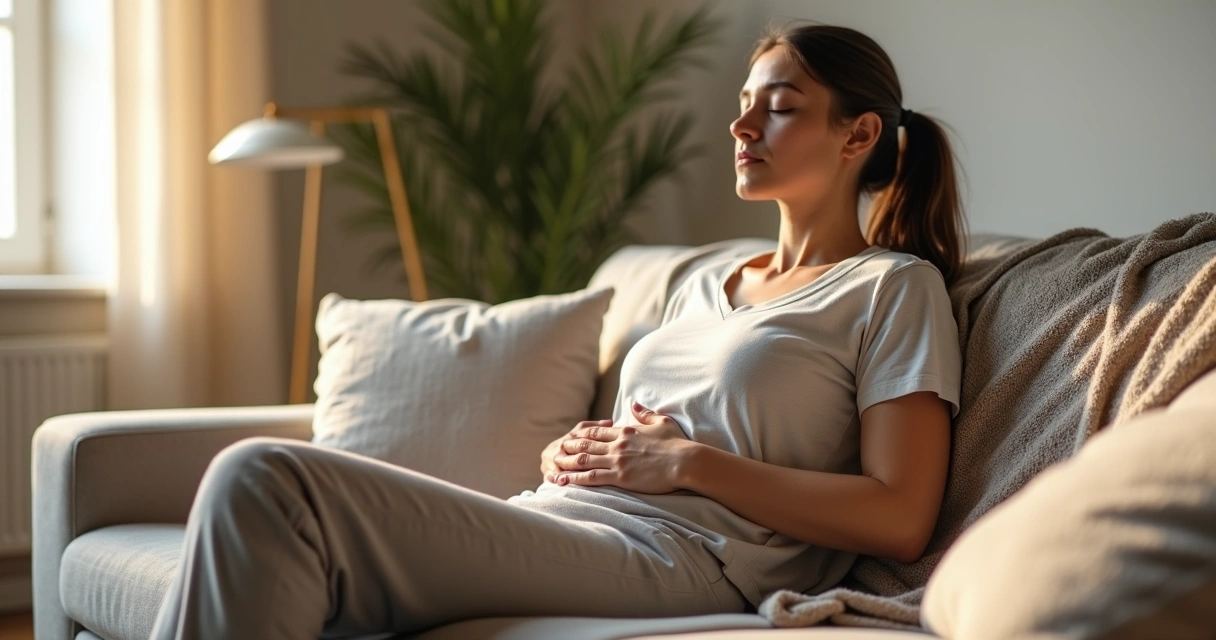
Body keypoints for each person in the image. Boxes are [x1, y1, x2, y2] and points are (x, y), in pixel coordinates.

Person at [150, 23, 963, 640]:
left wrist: (688, 464)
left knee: (267, 481)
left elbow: (898, 517)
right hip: (565, 515)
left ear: (858, 135)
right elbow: (645, 437)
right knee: (261, 508)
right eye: (744, 107)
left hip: (684, 560)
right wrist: (578, 452)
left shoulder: (894, 288)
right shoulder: (707, 283)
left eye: (779, 109)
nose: (743, 128)